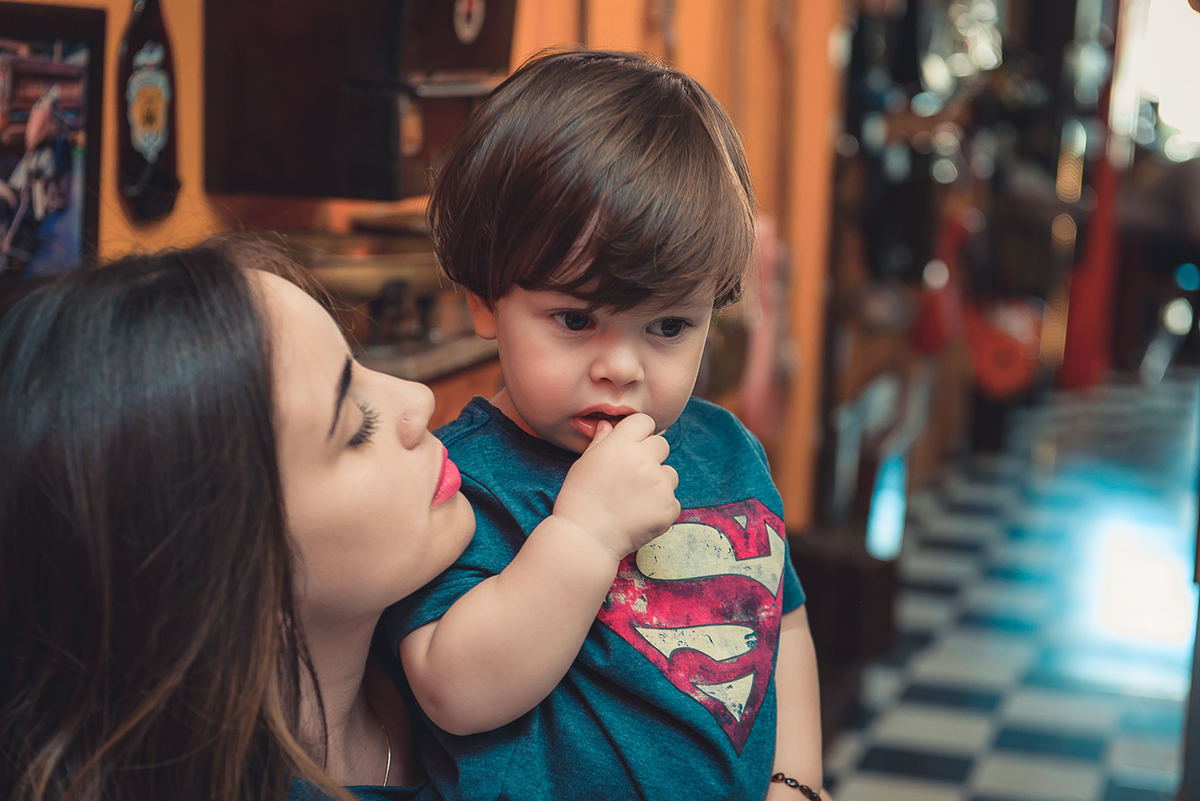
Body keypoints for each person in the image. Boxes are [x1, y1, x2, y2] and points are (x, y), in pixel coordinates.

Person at [0, 237, 670, 801]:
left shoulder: (472, 629)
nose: (418, 398)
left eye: (359, 362)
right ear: (221, 564)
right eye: (355, 426)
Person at [384, 49, 829, 801]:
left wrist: (798, 780)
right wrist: (586, 534)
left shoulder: (726, 452)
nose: (622, 366)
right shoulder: (457, 481)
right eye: (577, 318)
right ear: (486, 299)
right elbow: (452, 689)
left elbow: (781, 628)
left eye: (667, 326)